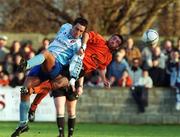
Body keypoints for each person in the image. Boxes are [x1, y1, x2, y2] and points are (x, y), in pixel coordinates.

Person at [27, 32, 124, 137]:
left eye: (117, 42)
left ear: (117, 47)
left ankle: (33, 101)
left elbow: (102, 68)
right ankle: (33, 102)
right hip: (72, 61)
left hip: (79, 72)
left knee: (55, 85)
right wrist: (83, 46)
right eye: (113, 38)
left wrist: (104, 79)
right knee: (53, 84)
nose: (114, 41)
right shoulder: (100, 39)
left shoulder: (108, 57)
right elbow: (87, 34)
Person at [11, 17, 88, 137]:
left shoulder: (79, 46)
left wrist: (73, 79)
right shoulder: (65, 27)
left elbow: (77, 63)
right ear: (72, 26)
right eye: (76, 29)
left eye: (81, 31)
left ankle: (26, 65)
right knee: (25, 89)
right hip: (42, 63)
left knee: (46, 52)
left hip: (56, 66)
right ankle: (23, 124)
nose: (77, 32)